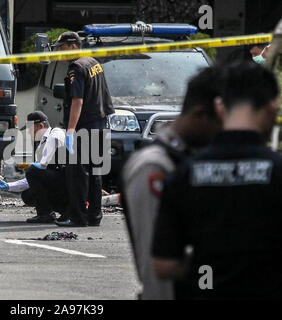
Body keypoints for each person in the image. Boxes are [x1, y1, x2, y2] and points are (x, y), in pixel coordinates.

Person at [152, 61, 281, 299]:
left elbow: (164, 265)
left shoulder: (184, 174)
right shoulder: (277, 170)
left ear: (220, 107)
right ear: (272, 107)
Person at [121, 67, 224, 300]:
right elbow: (155, 266)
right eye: (221, 124)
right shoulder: (155, 166)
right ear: (200, 115)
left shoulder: (188, 158)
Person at [53, 31, 115, 227]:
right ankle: (94, 216)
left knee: (77, 175)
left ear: (73, 46)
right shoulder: (93, 63)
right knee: (95, 173)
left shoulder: (77, 68)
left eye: (62, 49)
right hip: (100, 123)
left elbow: (77, 101)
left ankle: (78, 217)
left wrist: (70, 130)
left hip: (84, 127)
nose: (60, 54)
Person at [0, 111, 67, 223]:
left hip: (68, 182)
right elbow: (33, 179)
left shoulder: (56, 132)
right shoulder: (40, 146)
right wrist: (8, 186)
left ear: (40, 126)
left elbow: (56, 139)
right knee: (28, 195)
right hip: (57, 183)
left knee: (33, 170)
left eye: (30, 129)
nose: (29, 133)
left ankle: (47, 214)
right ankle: (62, 211)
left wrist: (42, 163)